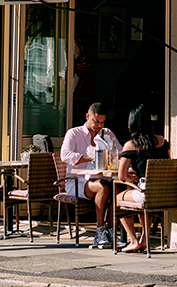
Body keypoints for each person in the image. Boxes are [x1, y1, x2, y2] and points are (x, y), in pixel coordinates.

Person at [61, 102, 123, 248]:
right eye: (96, 122)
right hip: (77, 181)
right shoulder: (74, 133)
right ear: (88, 117)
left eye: (102, 122)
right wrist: (92, 158)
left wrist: (114, 158)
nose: (99, 126)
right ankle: (99, 231)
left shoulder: (106, 133)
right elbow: (65, 155)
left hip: (102, 177)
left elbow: (120, 152)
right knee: (103, 188)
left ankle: (111, 230)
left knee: (117, 188)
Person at [115, 104, 169, 253]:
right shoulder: (162, 141)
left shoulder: (131, 145)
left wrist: (132, 178)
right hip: (165, 193)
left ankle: (133, 241)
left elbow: (121, 176)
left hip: (145, 191)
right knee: (142, 198)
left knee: (117, 200)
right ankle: (145, 238)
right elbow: (169, 164)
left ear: (131, 124)